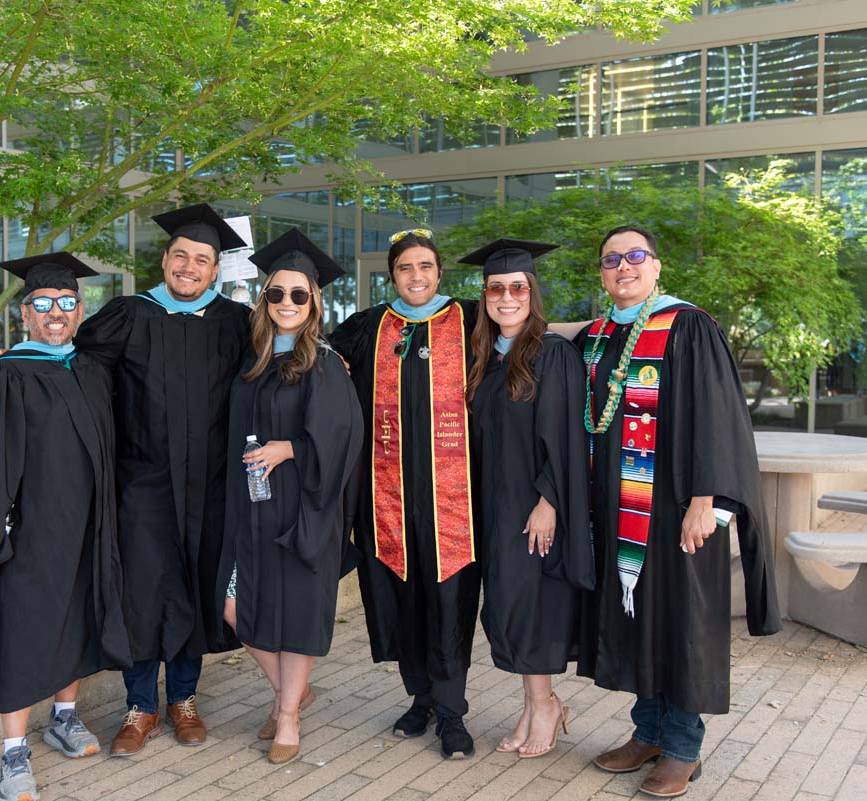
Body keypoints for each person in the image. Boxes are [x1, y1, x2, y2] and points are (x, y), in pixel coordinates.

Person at [574, 226, 781, 799]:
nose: (623, 267)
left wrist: (706, 500)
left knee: (683, 621)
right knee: (640, 617)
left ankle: (684, 749)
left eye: (634, 256)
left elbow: (717, 415)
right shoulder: (595, 338)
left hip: (678, 506)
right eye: (611, 259)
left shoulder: (687, 326)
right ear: (602, 272)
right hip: (619, 510)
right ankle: (649, 733)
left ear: (656, 266)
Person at [0, 252, 131, 801]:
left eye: (68, 303)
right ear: (24, 314)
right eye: (43, 304)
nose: (56, 313)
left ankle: (65, 716)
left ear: (79, 310)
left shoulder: (92, 368)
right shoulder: (8, 372)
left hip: (89, 525)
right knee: (26, 628)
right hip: (31, 529)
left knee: (78, 618)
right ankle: (12, 752)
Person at [72, 204, 251, 754]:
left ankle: (184, 699)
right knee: (144, 590)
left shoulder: (237, 323)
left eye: (203, 259)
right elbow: (74, 363)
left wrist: (331, 361)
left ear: (216, 269)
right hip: (142, 484)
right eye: (182, 256)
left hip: (212, 484)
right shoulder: (130, 314)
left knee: (197, 583)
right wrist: (15, 360)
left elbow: (283, 364)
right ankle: (140, 706)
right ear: (165, 259)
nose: (190, 267)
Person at [329, 229, 481, 759]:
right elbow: (320, 360)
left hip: (455, 500)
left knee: (449, 602)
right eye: (405, 268)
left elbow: (529, 335)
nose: (416, 277)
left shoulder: (471, 320)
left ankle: (453, 712)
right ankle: (420, 699)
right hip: (386, 498)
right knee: (402, 600)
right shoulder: (369, 326)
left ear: (440, 271)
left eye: (425, 266)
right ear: (391, 275)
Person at [219, 228, 362, 764]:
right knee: (232, 605)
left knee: (299, 613)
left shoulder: (322, 362)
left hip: (304, 508)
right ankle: (291, 693)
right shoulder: (253, 358)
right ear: (264, 299)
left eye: (298, 294)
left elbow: (345, 434)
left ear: (314, 301)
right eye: (276, 293)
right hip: (250, 511)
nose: (286, 303)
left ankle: (287, 716)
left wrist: (291, 449)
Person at [461, 239, 594, 759]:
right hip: (494, 508)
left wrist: (550, 502)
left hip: (532, 507)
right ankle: (536, 702)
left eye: (518, 287)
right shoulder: (485, 359)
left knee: (530, 607)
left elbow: (563, 437)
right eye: (497, 288)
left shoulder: (552, 354)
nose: (507, 296)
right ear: (485, 297)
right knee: (509, 607)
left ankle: (545, 706)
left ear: (531, 293)